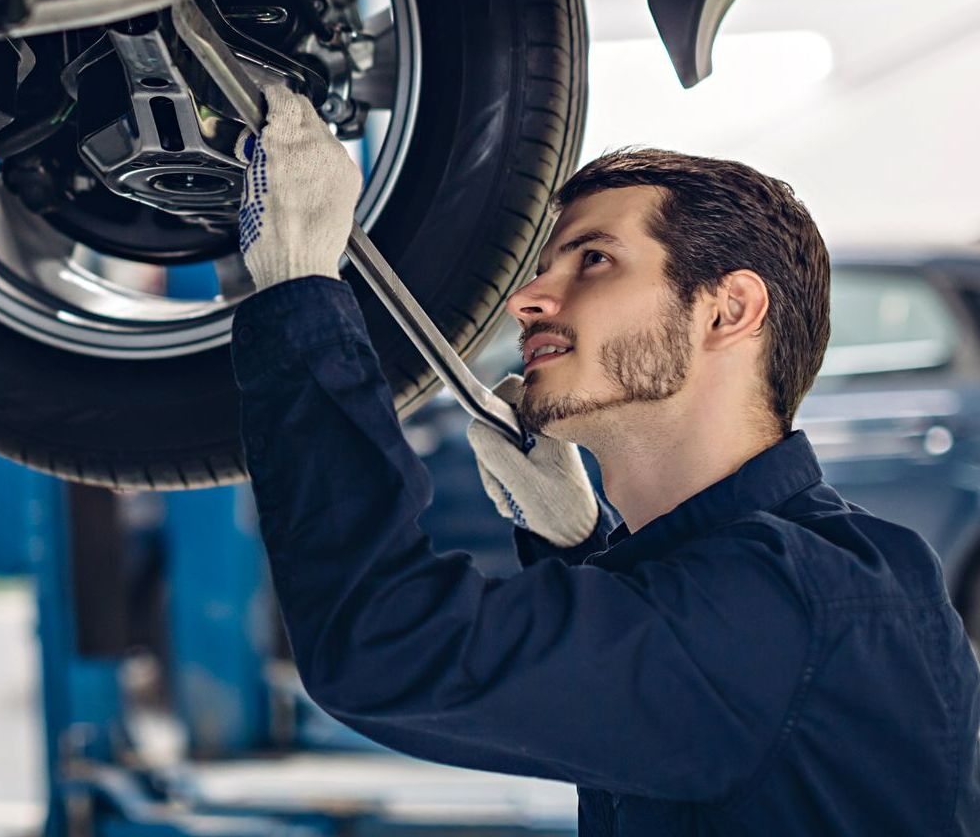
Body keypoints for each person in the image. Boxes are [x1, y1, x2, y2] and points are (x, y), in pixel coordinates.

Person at [230, 84, 980, 836]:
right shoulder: (828, 571)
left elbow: (384, 647)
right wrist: (580, 548)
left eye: (593, 259)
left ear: (728, 310)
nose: (527, 298)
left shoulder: (784, 604)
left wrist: (300, 289)